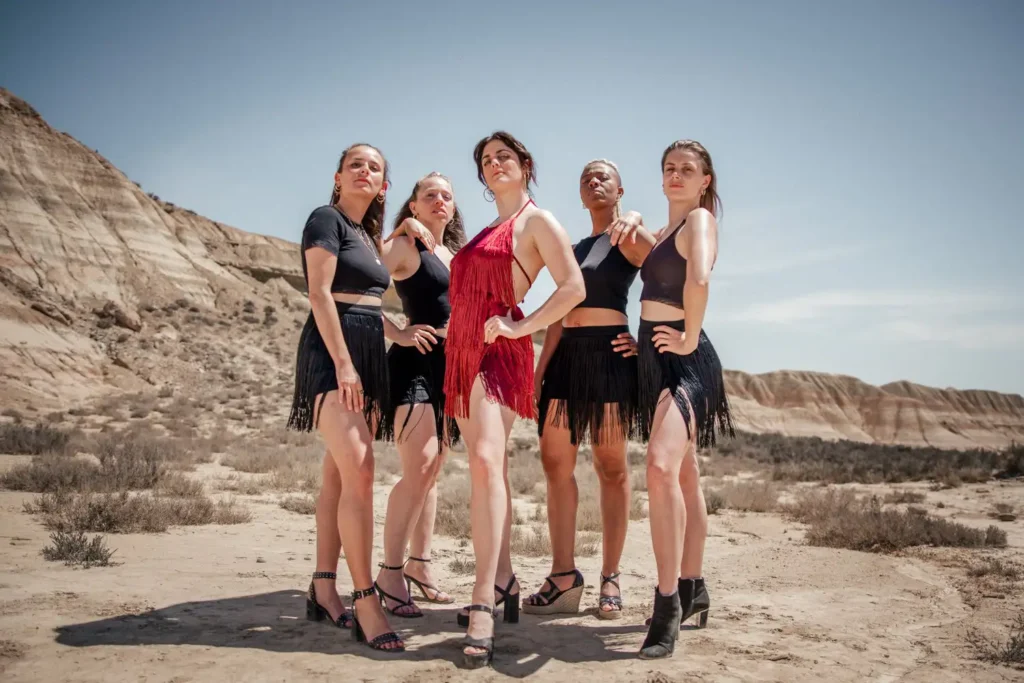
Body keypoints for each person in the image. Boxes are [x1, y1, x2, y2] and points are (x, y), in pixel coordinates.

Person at [444, 131, 585, 668]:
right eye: (485, 159)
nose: (494, 163)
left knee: (484, 462)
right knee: (489, 469)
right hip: (458, 355)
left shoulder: (537, 222)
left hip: (499, 351)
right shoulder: (483, 231)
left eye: (504, 156)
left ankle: (482, 598)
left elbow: (573, 288)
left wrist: (520, 323)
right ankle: (503, 581)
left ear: (525, 165)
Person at [286, 143, 405, 653]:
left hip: (367, 356)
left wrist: (401, 332)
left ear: (383, 184)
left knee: (339, 473)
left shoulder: (366, 236)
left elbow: (369, 305)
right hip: (335, 357)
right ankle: (365, 599)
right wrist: (344, 364)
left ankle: (321, 586)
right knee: (359, 469)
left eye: (374, 167)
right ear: (338, 176)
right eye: (356, 163)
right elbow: (320, 294)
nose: (365, 170)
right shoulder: (326, 219)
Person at [525, 160, 654, 620]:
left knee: (611, 467)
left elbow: (670, 277)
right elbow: (558, 315)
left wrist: (648, 342)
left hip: (611, 358)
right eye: (585, 179)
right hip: (566, 359)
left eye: (603, 177)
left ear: (620, 189)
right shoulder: (573, 248)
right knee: (555, 463)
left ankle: (612, 576)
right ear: (580, 196)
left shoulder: (629, 237)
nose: (594, 182)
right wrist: (538, 374)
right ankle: (563, 576)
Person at [633, 139, 735, 659]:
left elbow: (698, 277)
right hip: (653, 358)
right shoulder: (663, 232)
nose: (676, 175)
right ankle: (693, 586)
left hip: (686, 359)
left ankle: (667, 600)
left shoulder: (698, 221)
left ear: (704, 181)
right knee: (685, 473)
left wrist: (690, 335)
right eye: (669, 168)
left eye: (687, 170)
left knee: (659, 466)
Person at [371, 172, 467, 617]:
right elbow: (359, 287)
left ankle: (420, 566)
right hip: (414, 362)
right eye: (429, 194)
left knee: (434, 469)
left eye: (446, 195)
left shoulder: (457, 255)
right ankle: (389, 574)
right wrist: (399, 332)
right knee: (422, 465)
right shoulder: (407, 246)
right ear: (413, 205)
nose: (439, 200)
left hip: (451, 368)